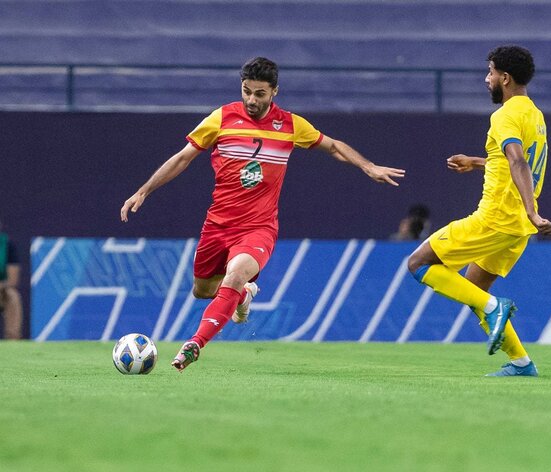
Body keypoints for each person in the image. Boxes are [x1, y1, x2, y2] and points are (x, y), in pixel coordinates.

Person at [121, 57, 406, 372]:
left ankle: (194, 344)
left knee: (236, 273)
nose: (252, 100)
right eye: (247, 92)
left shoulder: (292, 125)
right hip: (217, 226)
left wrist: (368, 166)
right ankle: (241, 297)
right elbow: (182, 158)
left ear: (275, 92)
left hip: (259, 227)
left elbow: (334, 146)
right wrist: (144, 190)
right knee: (202, 291)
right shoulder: (221, 118)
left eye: (260, 94)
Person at [407, 45, 551, 377]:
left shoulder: (503, 115)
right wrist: (475, 162)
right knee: (474, 285)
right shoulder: (534, 114)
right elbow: (514, 161)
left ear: (504, 78)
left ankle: (495, 309)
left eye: (489, 72)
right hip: (517, 227)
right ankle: (521, 363)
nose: (485, 78)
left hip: (497, 217)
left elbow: (517, 161)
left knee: (418, 263)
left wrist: (533, 211)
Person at [0, 219, 23, 340]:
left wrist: (2, 285)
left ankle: (12, 339)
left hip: (1, 292)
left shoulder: (8, 245)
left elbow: (12, 280)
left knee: (13, 296)